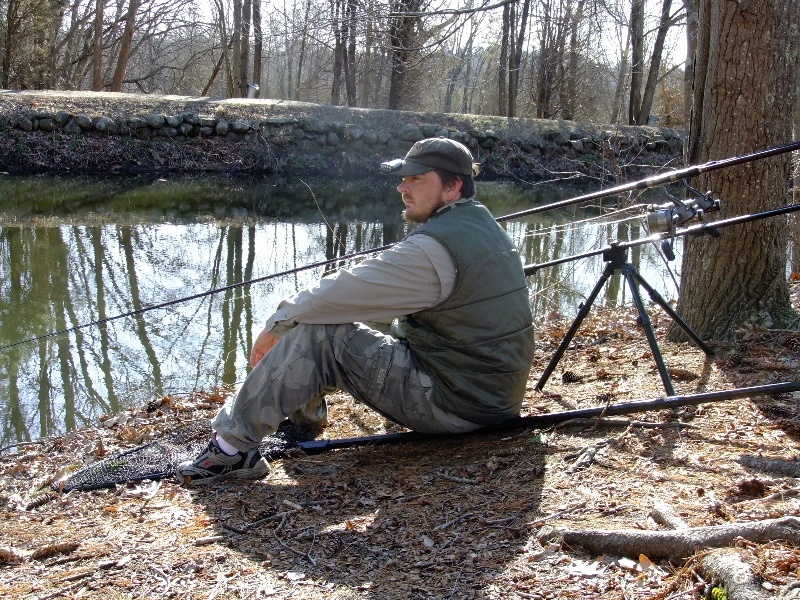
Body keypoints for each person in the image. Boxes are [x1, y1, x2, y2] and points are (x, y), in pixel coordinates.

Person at [176, 137, 535, 485]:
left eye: (416, 178)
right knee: (352, 318)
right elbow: (364, 301)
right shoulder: (480, 225)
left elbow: (341, 292)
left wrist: (279, 321)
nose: (402, 187)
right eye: (403, 178)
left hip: (457, 406)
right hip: (492, 395)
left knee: (322, 332)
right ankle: (303, 415)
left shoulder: (433, 249)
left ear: (452, 187)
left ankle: (230, 450)